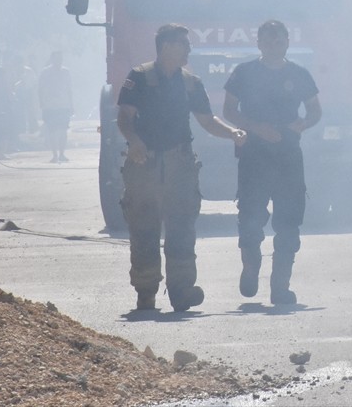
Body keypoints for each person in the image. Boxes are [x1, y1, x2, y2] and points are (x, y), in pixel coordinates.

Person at [116, 24, 246, 312]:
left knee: (182, 227)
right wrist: (134, 141)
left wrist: (233, 133)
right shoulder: (139, 77)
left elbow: (207, 120)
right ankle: (146, 292)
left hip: (180, 164)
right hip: (144, 163)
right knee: (144, 228)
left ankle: (181, 290)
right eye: (183, 44)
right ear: (166, 47)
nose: (189, 50)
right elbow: (124, 117)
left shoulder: (191, 83)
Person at [223, 19, 321, 305]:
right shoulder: (244, 73)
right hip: (254, 156)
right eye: (267, 41)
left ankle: (280, 286)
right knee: (251, 218)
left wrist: (304, 124)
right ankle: (251, 268)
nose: (273, 46)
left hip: (288, 156)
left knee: (289, 222)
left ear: (287, 42)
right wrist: (254, 127)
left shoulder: (300, 74)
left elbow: (315, 110)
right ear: (259, 44)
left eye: (278, 41)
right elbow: (229, 109)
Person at [38, 51, 74, 163]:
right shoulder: (45, 72)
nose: (59, 61)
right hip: (50, 106)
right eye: (56, 59)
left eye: (60, 59)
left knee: (63, 130)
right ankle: (54, 155)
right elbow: (40, 89)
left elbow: (69, 89)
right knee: (52, 131)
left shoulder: (66, 72)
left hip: (63, 105)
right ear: (52, 59)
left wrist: (72, 105)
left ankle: (62, 154)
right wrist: (41, 103)